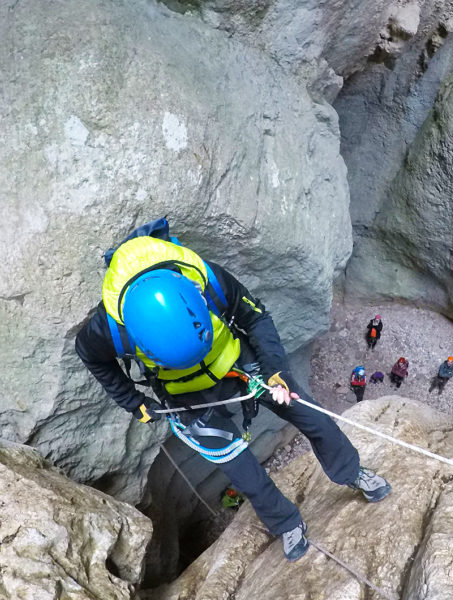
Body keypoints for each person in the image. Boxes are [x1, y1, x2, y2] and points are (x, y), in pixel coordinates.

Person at [76, 232, 391, 562]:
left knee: (309, 413)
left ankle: (350, 470)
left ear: (196, 297)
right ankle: (285, 523)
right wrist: (132, 401)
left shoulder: (204, 278)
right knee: (241, 469)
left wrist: (275, 371)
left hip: (235, 362)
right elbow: (89, 355)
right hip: (182, 394)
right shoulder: (111, 329)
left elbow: (254, 317)